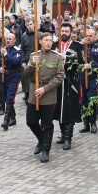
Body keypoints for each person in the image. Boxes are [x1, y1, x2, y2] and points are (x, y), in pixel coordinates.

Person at [24, 32, 64, 163]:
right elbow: (25, 75)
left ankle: (46, 149)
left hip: (48, 93)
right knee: (31, 121)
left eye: (50, 40)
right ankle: (41, 140)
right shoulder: (33, 56)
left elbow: (59, 77)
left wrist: (45, 89)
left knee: (47, 124)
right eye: (46, 40)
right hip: (34, 92)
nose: (48, 42)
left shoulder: (56, 57)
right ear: (40, 41)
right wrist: (31, 65)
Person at [53, 23, 83, 150]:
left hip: (71, 81)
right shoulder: (55, 45)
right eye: (62, 31)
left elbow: (80, 62)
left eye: (66, 31)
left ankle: (68, 137)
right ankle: (62, 133)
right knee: (59, 107)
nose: (64, 33)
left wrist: (66, 58)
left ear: (71, 32)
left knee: (69, 108)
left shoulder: (77, 46)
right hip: (57, 81)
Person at [79, 29, 98, 134]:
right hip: (82, 77)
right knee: (84, 101)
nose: (88, 37)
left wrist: (91, 66)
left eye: (90, 36)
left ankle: (93, 123)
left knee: (91, 99)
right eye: (86, 35)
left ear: (95, 37)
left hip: (93, 77)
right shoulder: (80, 47)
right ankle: (85, 123)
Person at [0, 33, 22, 130]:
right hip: (5, 76)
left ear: (14, 40)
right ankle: (13, 118)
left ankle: (6, 120)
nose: (8, 40)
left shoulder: (17, 51)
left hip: (14, 76)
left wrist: (5, 54)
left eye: (10, 39)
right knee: (6, 97)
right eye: (7, 38)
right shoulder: (2, 49)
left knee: (10, 98)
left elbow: (14, 62)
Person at [20, 18, 42, 104]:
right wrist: (23, 61)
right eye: (27, 25)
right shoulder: (24, 36)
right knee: (26, 78)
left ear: (34, 24)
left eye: (30, 24)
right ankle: (27, 94)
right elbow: (22, 49)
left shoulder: (40, 35)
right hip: (28, 60)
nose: (29, 26)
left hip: (39, 60)